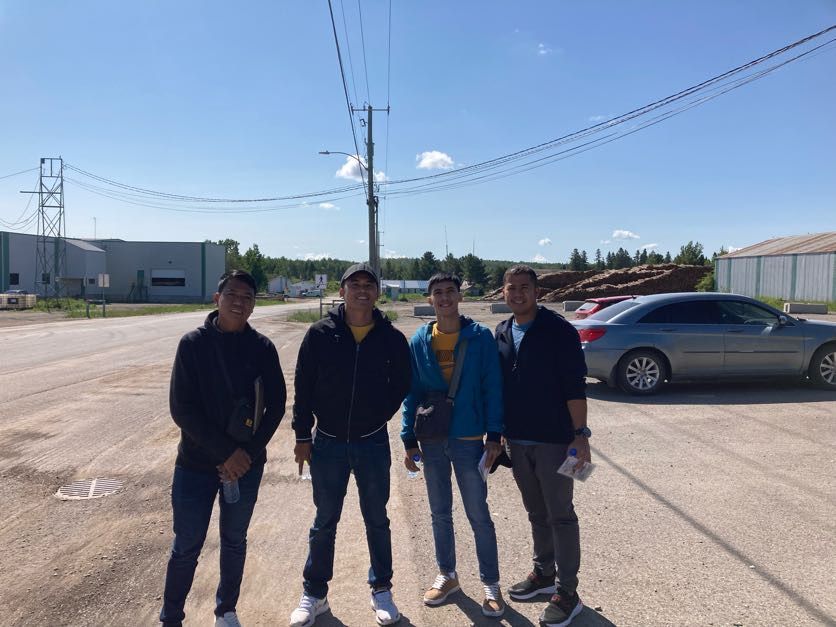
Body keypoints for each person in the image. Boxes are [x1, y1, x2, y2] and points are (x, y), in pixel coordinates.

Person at [160, 270, 287, 627]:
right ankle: (171, 617)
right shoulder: (192, 344)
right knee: (186, 545)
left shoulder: (262, 348)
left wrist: (247, 454)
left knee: (234, 541)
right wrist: (225, 454)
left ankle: (226, 610)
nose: (240, 302)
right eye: (232, 294)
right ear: (217, 299)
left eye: (248, 297)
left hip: (246, 466)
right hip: (195, 465)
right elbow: (181, 408)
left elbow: (276, 405)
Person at [290, 263, 411, 627]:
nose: (361, 290)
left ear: (377, 293)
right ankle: (315, 593)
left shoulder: (390, 337)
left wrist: (377, 415)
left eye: (368, 285)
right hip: (326, 442)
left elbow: (401, 383)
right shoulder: (320, 333)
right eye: (354, 284)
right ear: (341, 291)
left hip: (371, 442)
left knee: (377, 518)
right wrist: (301, 434)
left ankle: (382, 590)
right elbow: (303, 386)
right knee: (324, 520)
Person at [401, 272, 506, 618]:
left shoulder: (479, 338)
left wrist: (494, 434)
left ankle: (491, 584)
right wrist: (408, 437)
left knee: (478, 514)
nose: (444, 298)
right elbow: (412, 392)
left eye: (450, 292)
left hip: (469, 438)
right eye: (437, 293)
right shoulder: (419, 340)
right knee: (439, 513)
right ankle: (447, 575)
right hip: (431, 440)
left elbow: (493, 386)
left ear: (460, 296)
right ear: (430, 300)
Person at [495, 265, 590, 627]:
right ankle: (543, 574)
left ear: (537, 292)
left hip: (555, 441)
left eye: (524, 288)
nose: (517, 293)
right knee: (536, 513)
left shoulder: (559, 331)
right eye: (511, 288)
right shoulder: (502, 332)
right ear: (503, 293)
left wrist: (580, 435)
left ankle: (568, 592)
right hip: (517, 442)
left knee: (561, 516)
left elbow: (574, 386)